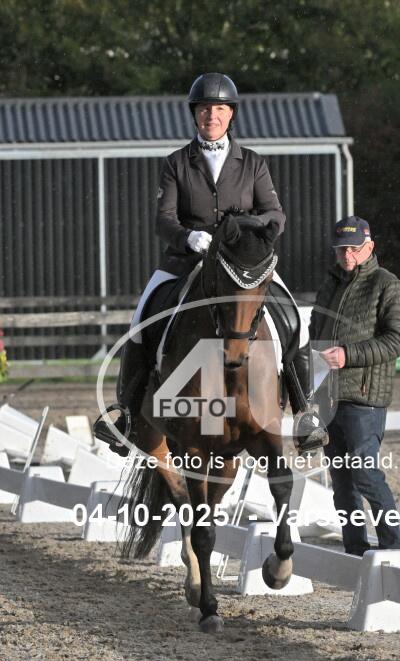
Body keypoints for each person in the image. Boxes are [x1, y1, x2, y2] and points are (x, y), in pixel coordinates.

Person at [94, 72, 327, 456]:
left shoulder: (252, 163)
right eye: (205, 109)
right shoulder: (176, 163)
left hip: (242, 264)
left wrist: (248, 230)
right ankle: (127, 415)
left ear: (230, 114)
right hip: (187, 260)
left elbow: (275, 214)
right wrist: (188, 236)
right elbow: (163, 219)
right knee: (141, 319)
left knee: (294, 320)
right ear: (195, 114)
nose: (212, 116)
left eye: (219, 109)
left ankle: (305, 413)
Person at [309, 216, 400, 556]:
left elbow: (397, 340)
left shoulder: (387, 285)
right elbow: (314, 332)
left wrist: (347, 355)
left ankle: (393, 548)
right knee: (342, 484)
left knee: (365, 475)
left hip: (364, 400)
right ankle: (355, 551)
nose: (347, 255)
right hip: (328, 397)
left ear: (370, 247)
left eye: (353, 249)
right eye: (341, 250)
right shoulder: (329, 284)